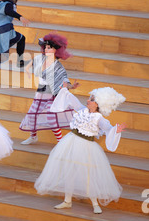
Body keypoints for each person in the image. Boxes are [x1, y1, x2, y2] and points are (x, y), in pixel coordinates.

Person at [34, 86, 126, 214]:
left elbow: (107, 128)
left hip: (87, 147)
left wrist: (115, 130)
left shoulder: (99, 118)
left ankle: (94, 203)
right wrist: (65, 91)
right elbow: (72, 100)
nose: (88, 101)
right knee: (69, 170)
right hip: (71, 142)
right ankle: (67, 200)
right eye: (90, 98)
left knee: (88, 175)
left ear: (99, 104)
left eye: (92, 100)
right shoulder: (82, 110)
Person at [20, 33, 79, 145]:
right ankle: (33, 137)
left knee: (51, 118)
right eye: (45, 47)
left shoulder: (58, 66)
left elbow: (64, 80)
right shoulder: (40, 59)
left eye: (49, 48)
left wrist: (72, 86)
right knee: (32, 115)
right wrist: (27, 69)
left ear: (56, 50)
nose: (46, 49)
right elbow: (32, 62)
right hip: (40, 93)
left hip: (52, 94)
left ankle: (60, 142)